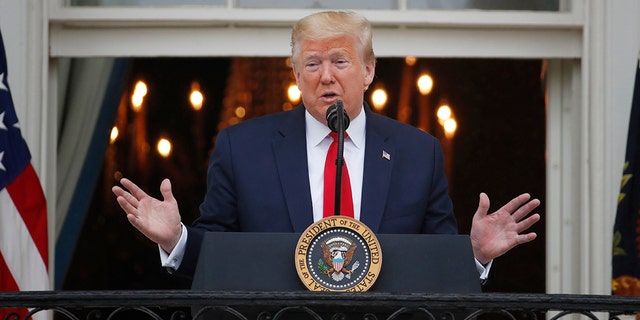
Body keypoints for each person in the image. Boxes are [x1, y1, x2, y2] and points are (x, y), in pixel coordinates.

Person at [112, 10, 540, 280]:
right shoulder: (242, 148)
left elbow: (437, 269)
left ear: (369, 70)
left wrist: (474, 256)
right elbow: (215, 261)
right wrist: (176, 240)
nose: (326, 76)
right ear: (297, 76)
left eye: (340, 61)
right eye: (312, 64)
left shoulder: (417, 153)